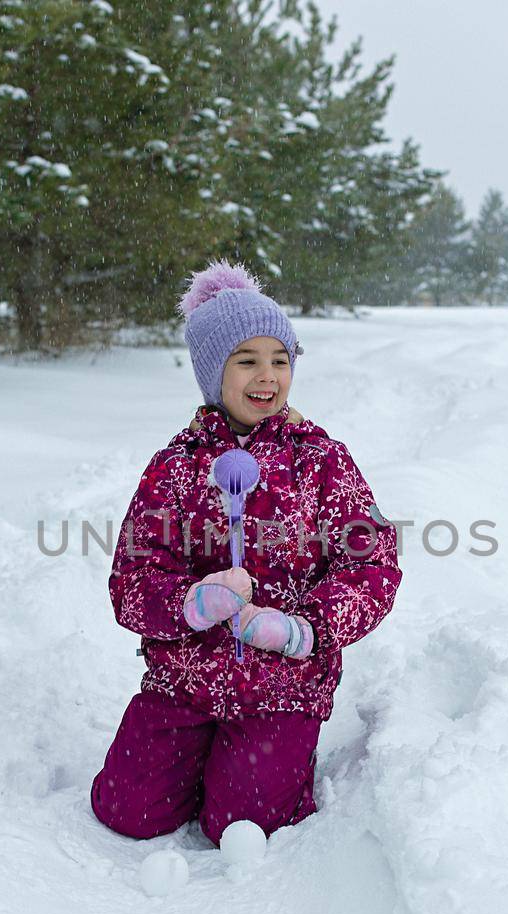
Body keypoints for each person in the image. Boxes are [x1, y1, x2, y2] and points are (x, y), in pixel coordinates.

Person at [91, 261, 402, 848]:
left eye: (280, 360)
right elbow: (132, 577)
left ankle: (252, 764)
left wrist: (304, 631)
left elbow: (371, 561)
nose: (268, 377)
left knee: (244, 823)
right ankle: (197, 753)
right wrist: (188, 604)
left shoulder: (320, 461)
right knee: (126, 810)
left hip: (281, 685)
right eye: (247, 360)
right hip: (182, 680)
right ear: (213, 372)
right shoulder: (176, 466)